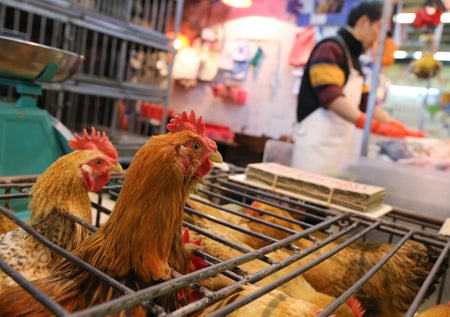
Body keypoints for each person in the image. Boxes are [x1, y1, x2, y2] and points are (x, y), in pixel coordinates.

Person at [292, 0, 424, 176]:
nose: (379, 36)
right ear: (363, 22)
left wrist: (394, 125)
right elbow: (330, 96)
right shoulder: (330, 48)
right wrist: (369, 124)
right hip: (315, 149)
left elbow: (365, 101)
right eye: (378, 27)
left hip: (336, 150)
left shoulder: (351, 57)